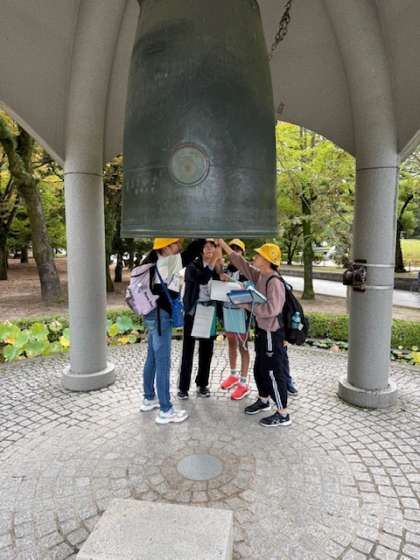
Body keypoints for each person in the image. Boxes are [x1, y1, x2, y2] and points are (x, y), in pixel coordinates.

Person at [218, 239, 291, 427]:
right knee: (260, 368)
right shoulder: (260, 275)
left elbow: (273, 309)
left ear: (267, 260)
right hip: (261, 330)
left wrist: (248, 305)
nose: (255, 257)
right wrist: (223, 245)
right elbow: (241, 263)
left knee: (272, 371)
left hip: (271, 332)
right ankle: (264, 399)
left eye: (259, 255)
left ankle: (283, 412)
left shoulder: (274, 281)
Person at [140, 238, 205, 424]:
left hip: (151, 314)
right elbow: (193, 250)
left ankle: (148, 398)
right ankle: (166, 410)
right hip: (161, 317)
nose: (179, 247)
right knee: (163, 362)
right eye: (176, 243)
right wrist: (205, 234)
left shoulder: (151, 261)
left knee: (152, 357)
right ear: (166, 247)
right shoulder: (169, 260)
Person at [178, 240, 223, 400]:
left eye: (212, 246)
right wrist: (214, 260)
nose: (210, 249)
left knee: (206, 350)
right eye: (206, 246)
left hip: (209, 310)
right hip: (193, 311)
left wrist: (221, 272)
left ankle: (202, 384)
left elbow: (220, 287)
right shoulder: (192, 266)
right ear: (201, 250)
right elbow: (203, 278)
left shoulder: (217, 267)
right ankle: (183, 387)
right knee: (188, 350)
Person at [219, 239, 251, 400]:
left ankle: (244, 383)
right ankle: (233, 375)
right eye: (232, 249)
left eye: (238, 249)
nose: (235, 251)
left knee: (243, 346)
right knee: (231, 342)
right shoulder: (225, 269)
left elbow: (247, 291)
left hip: (242, 314)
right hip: (227, 311)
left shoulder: (247, 270)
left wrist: (230, 281)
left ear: (242, 253)